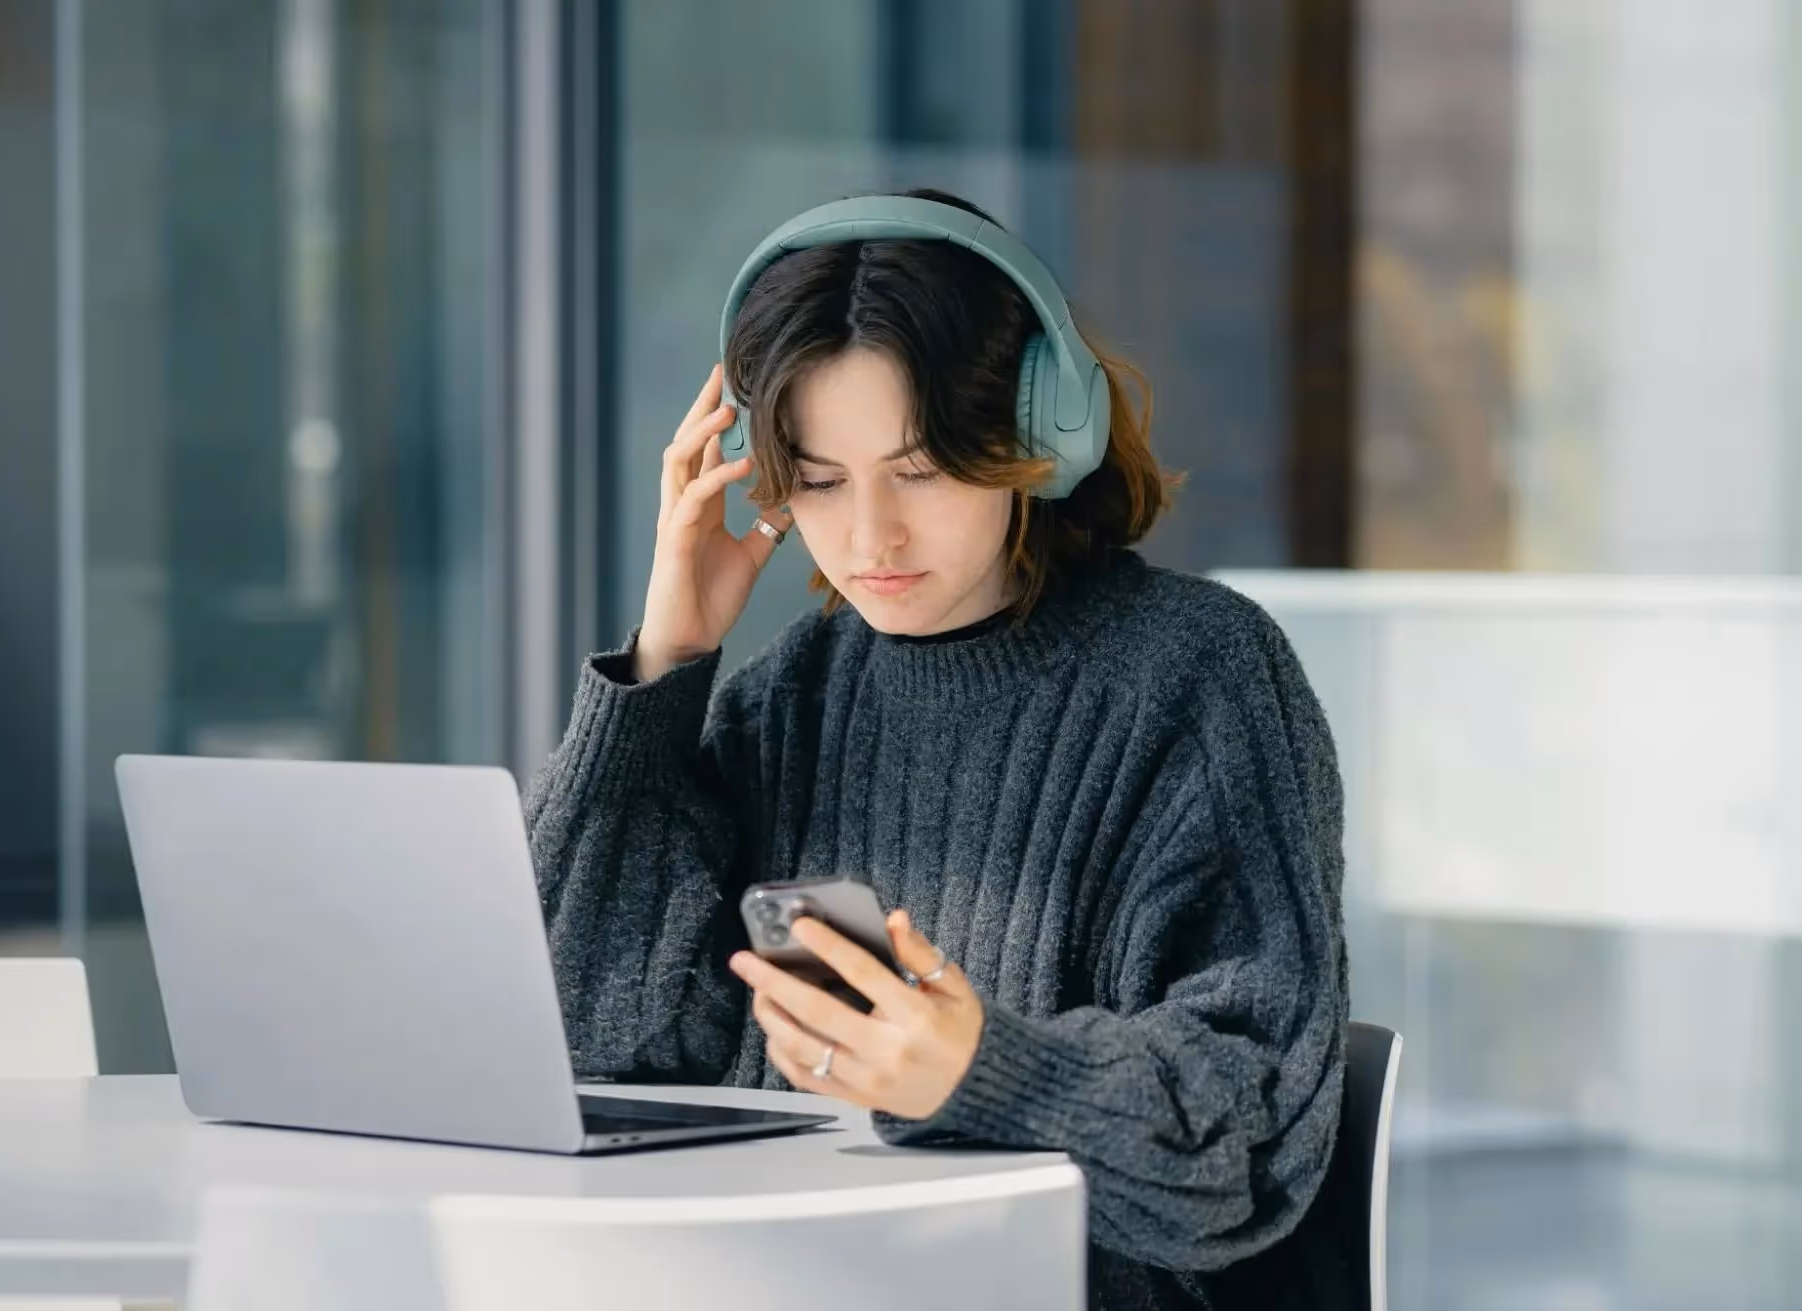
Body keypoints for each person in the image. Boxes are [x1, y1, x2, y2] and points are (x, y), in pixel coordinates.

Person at [524, 188, 1353, 1309]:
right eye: (817, 481)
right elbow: (595, 1047)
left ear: (1040, 433)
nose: (870, 537)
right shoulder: (793, 694)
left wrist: (984, 1076)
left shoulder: (1197, 674)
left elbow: (1248, 1133)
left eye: (918, 470)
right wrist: (665, 667)